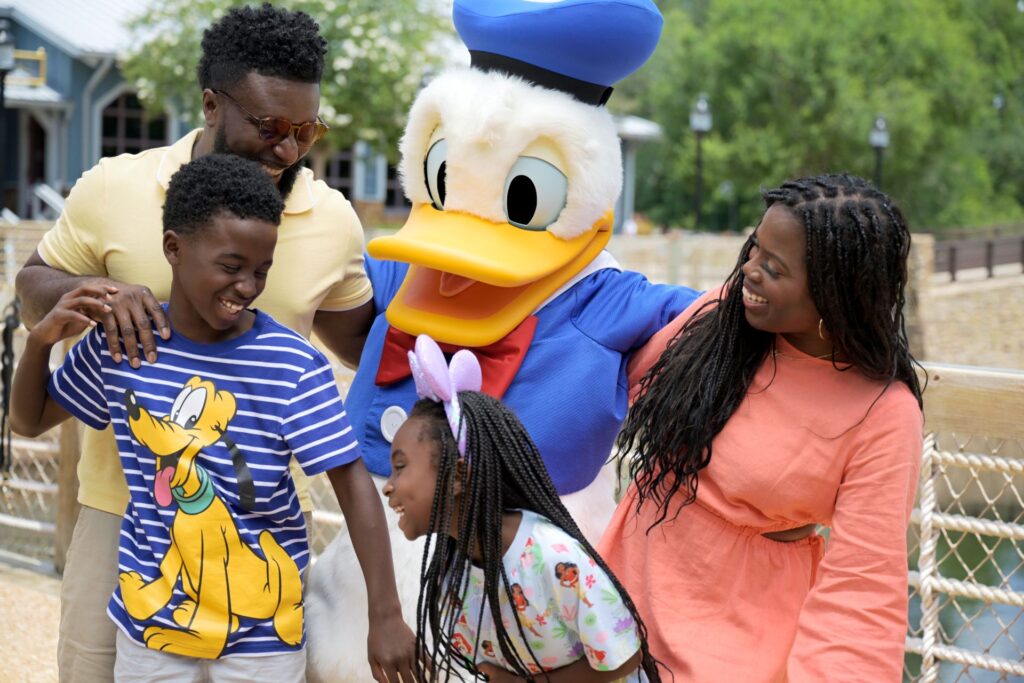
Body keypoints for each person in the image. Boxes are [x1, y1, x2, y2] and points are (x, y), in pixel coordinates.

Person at [11, 5, 407, 681]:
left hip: (258, 534)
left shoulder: (332, 221)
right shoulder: (115, 187)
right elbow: (31, 287)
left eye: (305, 131)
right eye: (269, 127)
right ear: (211, 105)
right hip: (121, 516)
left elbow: (364, 344)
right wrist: (98, 296)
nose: (288, 150)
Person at [599, 174, 925, 682]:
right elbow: (620, 383)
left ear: (835, 295)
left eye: (774, 268)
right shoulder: (723, 318)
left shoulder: (884, 413)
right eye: (754, 249)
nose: (749, 270)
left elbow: (861, 591)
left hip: (731, 642)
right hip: (615, 607)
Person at [382, 335, 662, 682]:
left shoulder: (553, 557)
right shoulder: (451, 572)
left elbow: (625, 657)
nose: (388, 485)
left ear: (456, 476)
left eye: (400, 467)